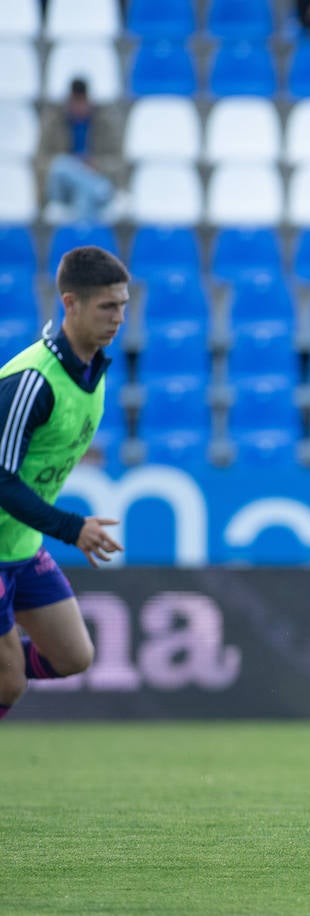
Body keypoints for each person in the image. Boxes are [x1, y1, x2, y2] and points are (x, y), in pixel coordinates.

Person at [0, 247, 130, 721]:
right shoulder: (33, 380)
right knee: (9, 682)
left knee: (74, 657)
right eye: (107, 307)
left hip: (18, 544)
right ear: (70, 303)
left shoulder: (93, 372)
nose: (119, 319)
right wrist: (71, 528)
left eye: (123, 306)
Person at [39, 78, 120, 225]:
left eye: (82, 102)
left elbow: (118, 161)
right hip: (61, 188)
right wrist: (73, 165)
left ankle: (80, 237)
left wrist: (97, 164)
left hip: (90, 181)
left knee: (83, 194)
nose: (79, 107)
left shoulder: (104, 123)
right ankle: (97, 188)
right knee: (61, 164)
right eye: (75, 102)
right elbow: (42, 160)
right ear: (69, 102)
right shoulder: (53, 122)